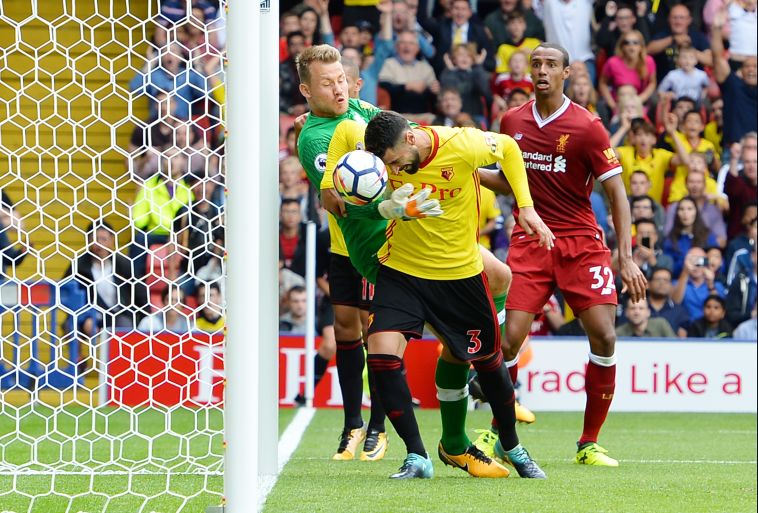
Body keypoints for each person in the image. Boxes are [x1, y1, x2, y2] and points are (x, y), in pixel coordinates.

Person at [475, 43, 647, 468]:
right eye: (536, 64)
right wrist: (468, 170)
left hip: (580, 243)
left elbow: (617, 192)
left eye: (551, 65)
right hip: (531, 240)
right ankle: (499, 434)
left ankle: (589, 442)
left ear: (567, 72)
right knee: (508, 339)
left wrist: (624, 256)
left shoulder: (588, 126)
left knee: (605, 336)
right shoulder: (511, 121)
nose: (542, 71)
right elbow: (508, 180)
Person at [359, 110, 551, 479]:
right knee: (381, 356)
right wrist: (389, 207)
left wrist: (525, 207)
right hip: (402, 270)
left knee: (490, 364)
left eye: (396, 160)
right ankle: (417, 456)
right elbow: (357, 202)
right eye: (388, 164)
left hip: (459, 275)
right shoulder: (377, 162)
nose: (395, 168)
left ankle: (510, 445)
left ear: (411, 138)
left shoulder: (461, 144)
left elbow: (509, 148)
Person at [710, 7, 757, 152]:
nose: (751, 70)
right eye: (747, 67)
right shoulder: (733, 85)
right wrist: (717, 30)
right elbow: (717, 58)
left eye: (755, 67)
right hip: (733, 151)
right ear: (741, 71)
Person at [647, 3, 712, 84]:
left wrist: (689, 49)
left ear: (689, 20)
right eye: (674, 18)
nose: (678, 21)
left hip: (693, 87)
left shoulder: (698, 36)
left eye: (682, 18)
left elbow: (710, 61)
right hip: (665, 87)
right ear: (669, 19)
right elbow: (648, 50)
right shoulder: (662, 35)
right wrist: (672, 39)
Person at [598, 30, 657, 114]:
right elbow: (602, 83)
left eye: (635, 42)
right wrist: (612, 105)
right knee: (601, 106)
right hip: (618, 102)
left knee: (655, 101)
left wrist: (640, 99)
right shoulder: (612, 62)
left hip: (640, 100)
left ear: (641, 46)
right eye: (627, 43)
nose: (631, 46)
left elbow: (652, 83)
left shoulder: (648, 61)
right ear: (622, 46)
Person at [663, 196, 719, 276]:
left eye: (689, 209)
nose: (685, 213)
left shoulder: (708, 235)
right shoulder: (671, 238)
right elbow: (667, 267)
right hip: (678, 281)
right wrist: (685, 263)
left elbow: (718, 262)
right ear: (677, 213)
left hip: (704, 281)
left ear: (696, 212)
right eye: (681, 209)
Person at [672, 246, 728, 322]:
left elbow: (718, 311)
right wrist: (686, 271)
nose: (696, 265)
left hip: (707, 327)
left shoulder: (717, 286)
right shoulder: (677, 283)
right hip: (685, 326)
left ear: (706, 262)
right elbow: (675, 302)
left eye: (700, 260)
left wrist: (710, 285)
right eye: (692, 260)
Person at [647, 266, 691, 337]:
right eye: (658, 279)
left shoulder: (680, 312)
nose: (662, 283)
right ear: (648, 284)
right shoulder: (638, 308)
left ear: (671, 285)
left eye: (666, 280)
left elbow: (682, 342)